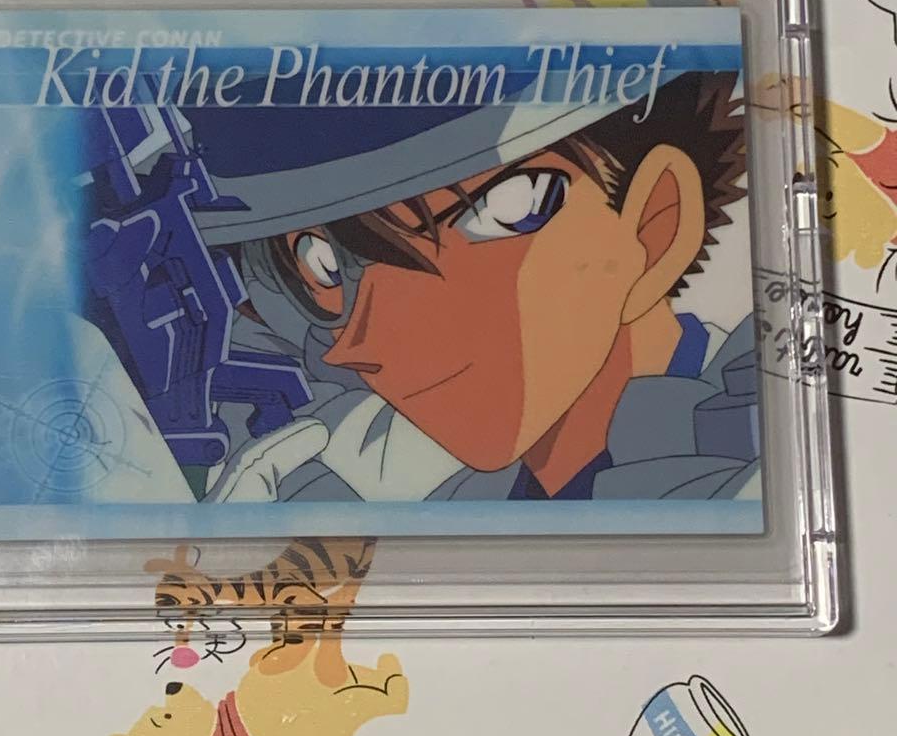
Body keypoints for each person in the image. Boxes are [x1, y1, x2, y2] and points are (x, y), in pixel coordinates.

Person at [177, 56, 761, 505]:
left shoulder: (753, 463)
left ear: (654, 226)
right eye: (325, 263)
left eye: (500, 211)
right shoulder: (439, 488)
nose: (359, 343)